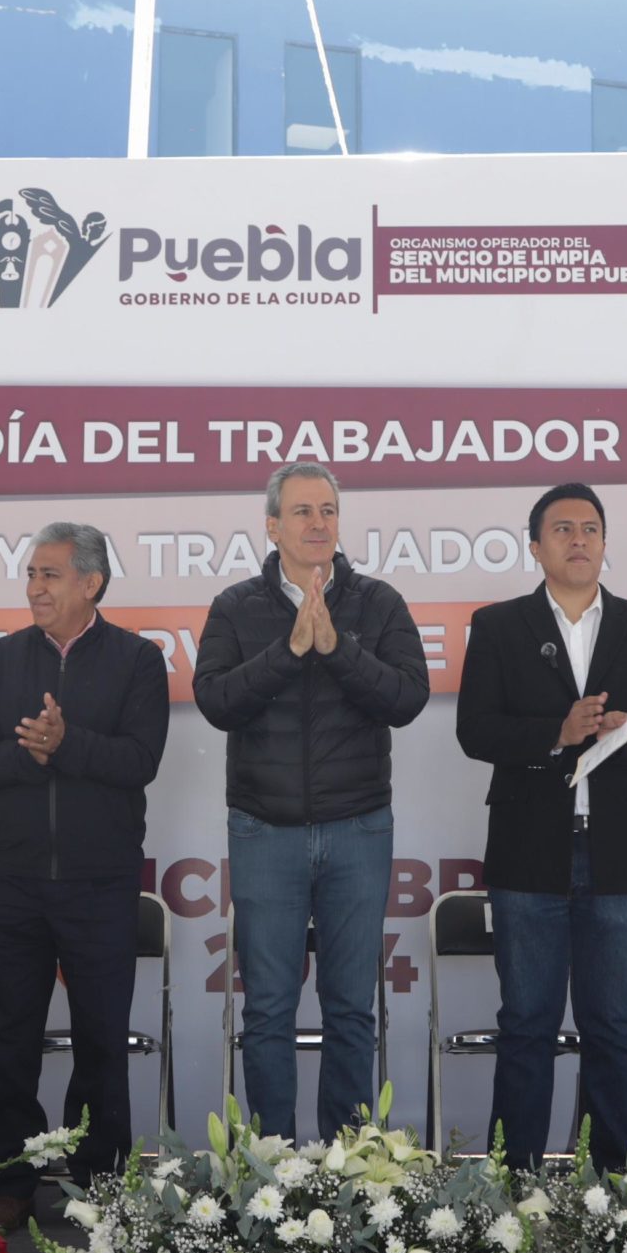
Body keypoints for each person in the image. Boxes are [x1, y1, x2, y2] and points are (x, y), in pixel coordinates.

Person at [194, 462, 429, 1140]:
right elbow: (216, 701)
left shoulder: (378, 603)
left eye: (327, 510)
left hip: (357, 828)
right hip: (265, 830)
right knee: (267, 1008)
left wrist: (336, 647)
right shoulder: (236, 607)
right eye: (302, 512)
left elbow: (407, 698)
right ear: (272, 526)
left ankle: (350, 1160)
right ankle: (270, 1164)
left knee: (351, 1006)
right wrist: (290, 650)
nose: (318, 523)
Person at [456, 482, 627, 1171]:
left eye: (591, 528)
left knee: (613, 1026)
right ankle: (514, 1182)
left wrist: (621, 733)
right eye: (562, 529)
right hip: (530, 850)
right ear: (535, 546)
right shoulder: (499, 626)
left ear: (606, 544)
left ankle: (614, 1183)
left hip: (618, 850)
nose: (579, 539)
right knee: (527, 1024)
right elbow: (475, 730)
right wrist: (557, 733)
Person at [0, 523, 170, 1224]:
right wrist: (35, 754)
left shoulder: (138, 661)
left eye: (48, 575)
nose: (33, 588)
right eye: (31, 574)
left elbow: (140, 761)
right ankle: (11, 1188)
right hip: (10, 880)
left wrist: (67, 743)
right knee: (8, 1039)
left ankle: (98, 1186)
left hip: (100, 881)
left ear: (90, 583)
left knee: (101, 1040)